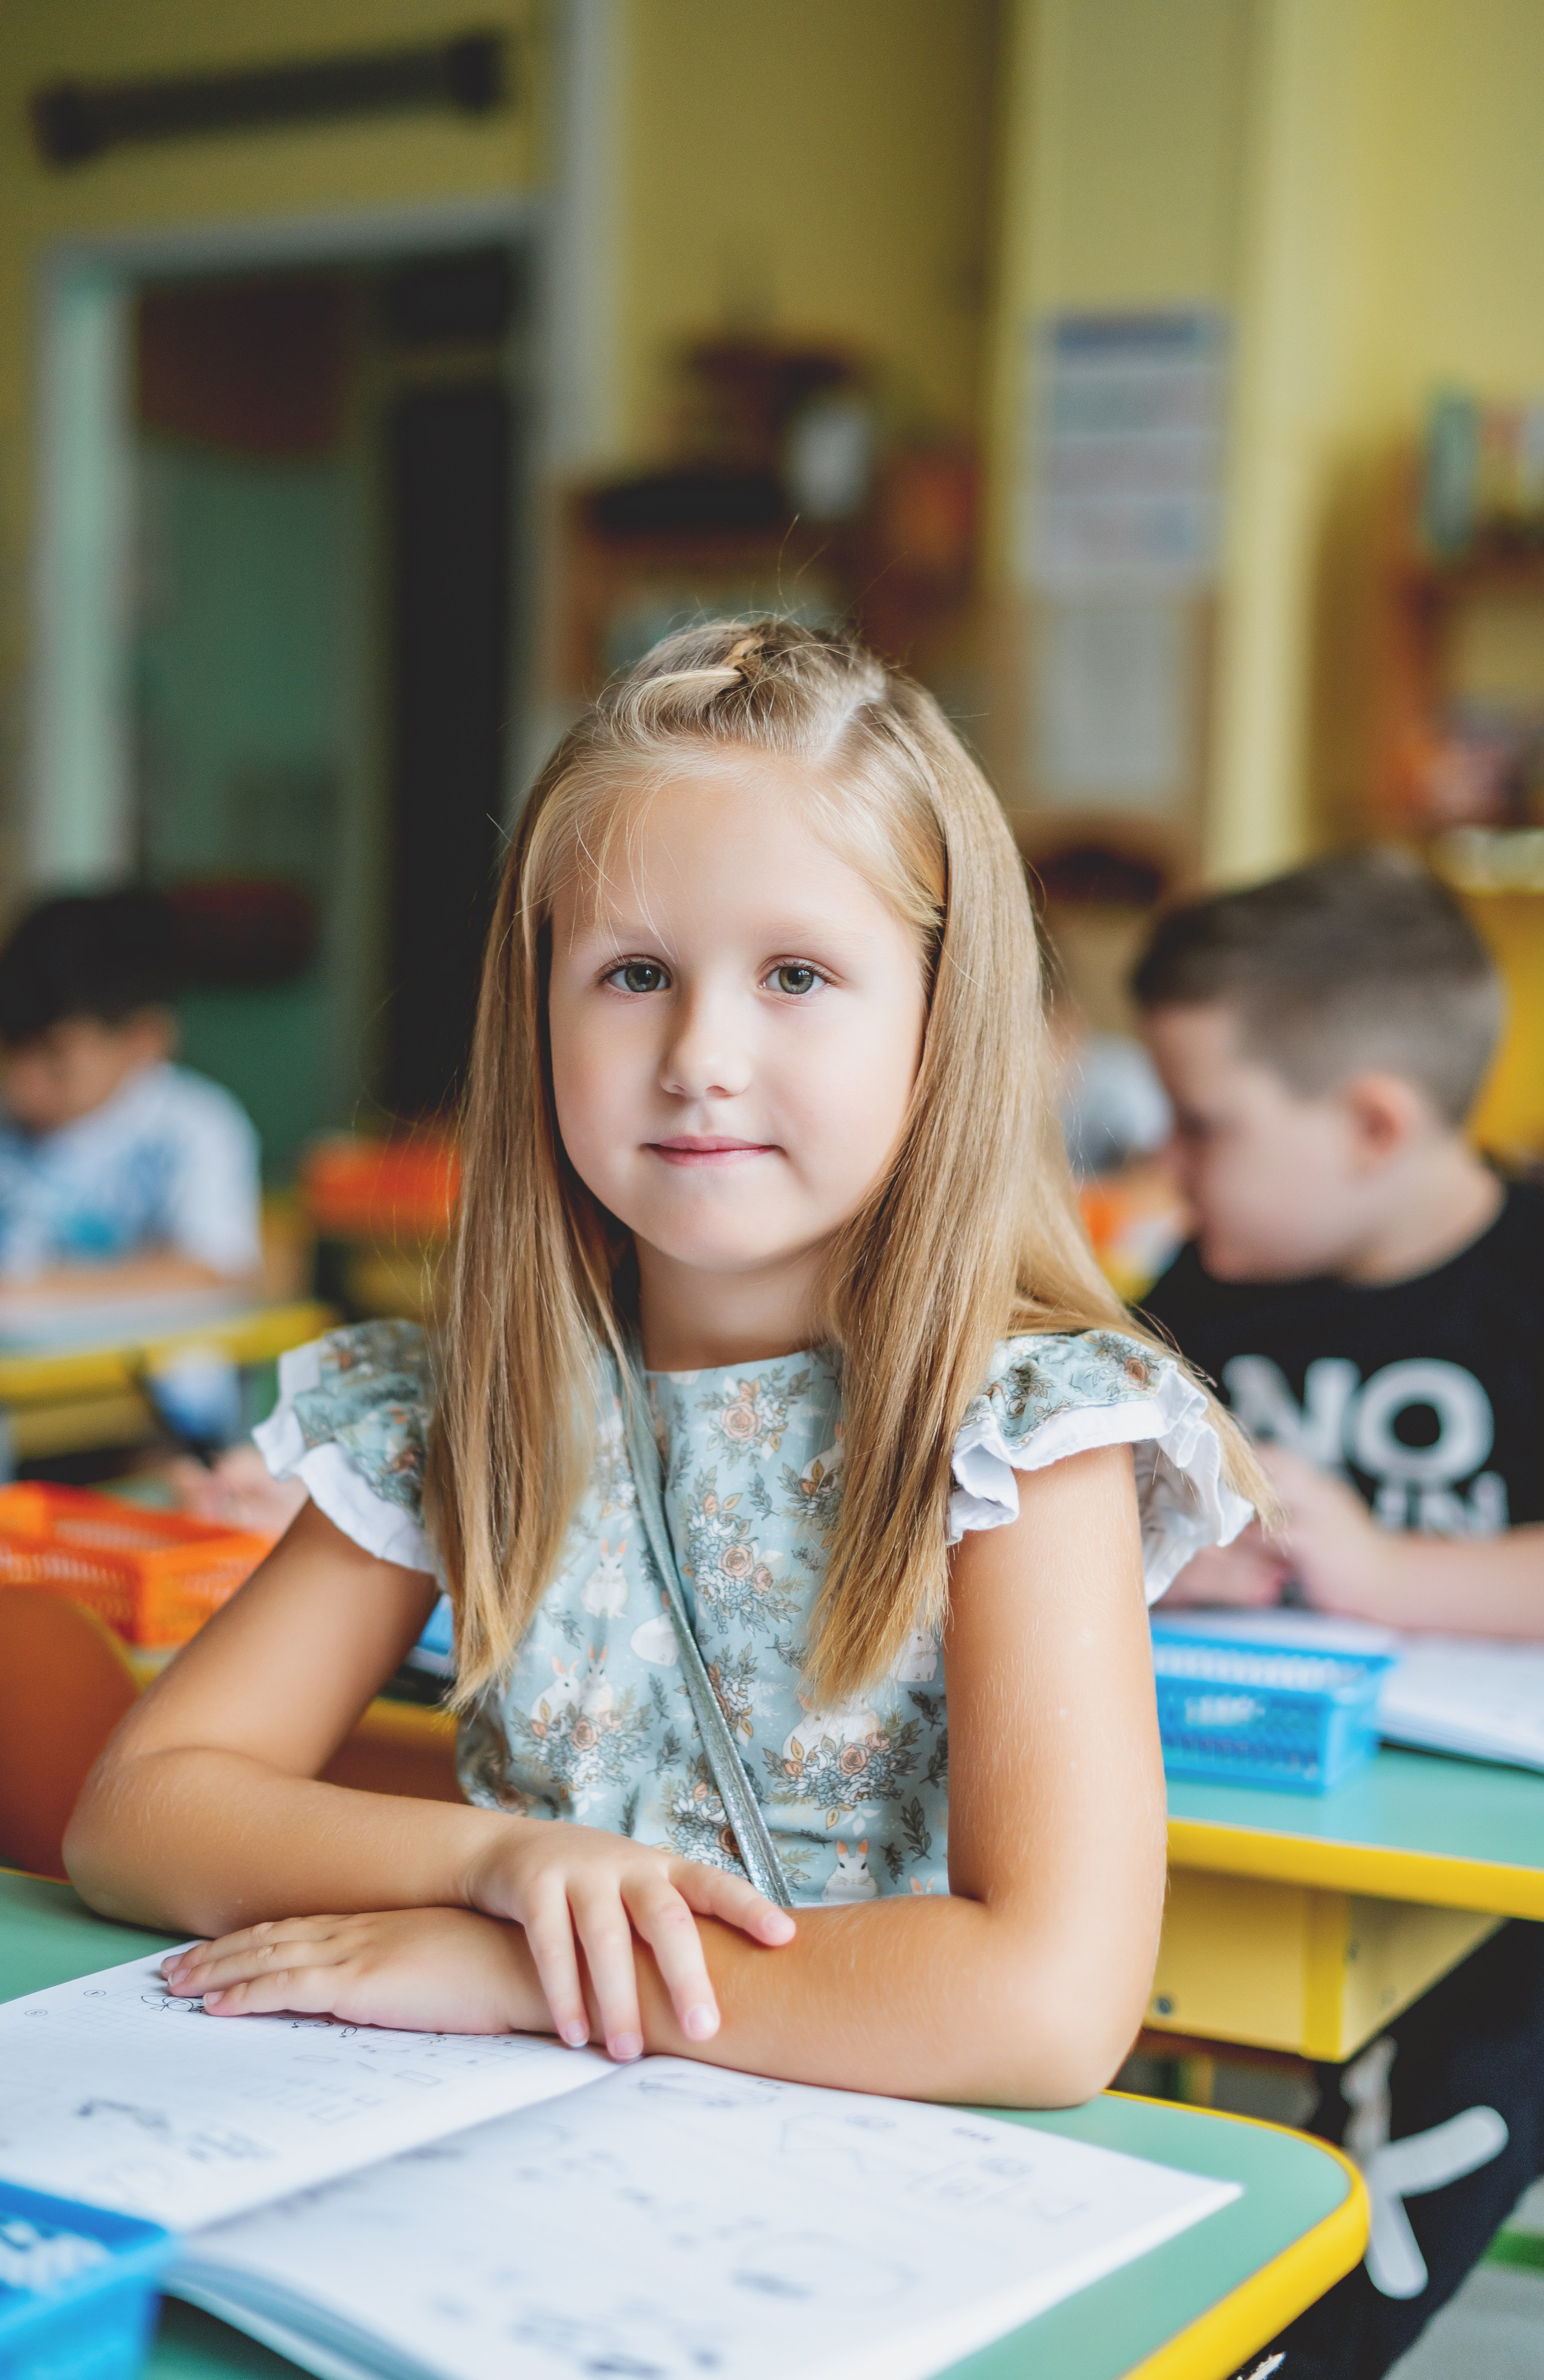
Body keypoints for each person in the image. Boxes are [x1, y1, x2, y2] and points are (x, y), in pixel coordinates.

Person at [67, 621, 1261, 2109]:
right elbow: (139, 1812)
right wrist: (496, 1861)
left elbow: (1043, 2009)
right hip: (518, 2151)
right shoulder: (464, 1399)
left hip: (881, 2184)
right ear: (538, 1010)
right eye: (633, 972)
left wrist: (524, 1968)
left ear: (941, 1024)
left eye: (796, 973)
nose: (700, 1049)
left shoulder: (1025, 1427)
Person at [1132, 847, 1544, 2380]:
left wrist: (1383, 1572)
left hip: (1476, 1854)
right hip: (1224, 1798)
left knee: (1500, 2019)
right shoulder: (1210, 1282)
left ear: (1370, 1121)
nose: (1170, 1164)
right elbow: (1081, 1504)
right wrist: (1158, 1551)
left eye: (1205, 1123)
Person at [0, 890, 262, 1304]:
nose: (19, 1084)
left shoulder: (194, 1126)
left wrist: (24, 1294)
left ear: (144, 1039)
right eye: (8, 1049)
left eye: (53, 1057)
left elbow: (216, 1272)